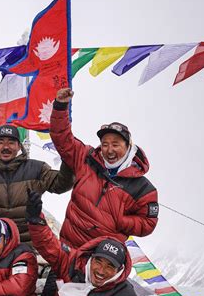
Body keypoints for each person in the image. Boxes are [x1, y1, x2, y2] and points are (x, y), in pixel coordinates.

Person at [49, 88, 159, 248]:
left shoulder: (143, 188)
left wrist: (121, 221)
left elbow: (148, 223)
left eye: (116, 144)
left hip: (102, 259)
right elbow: (62, 138)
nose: (109, 150)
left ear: (128, 146)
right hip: (68, 250)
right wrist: (60, 106)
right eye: (105, 144)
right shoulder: (86, 158)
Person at [0, 124, 74, 245]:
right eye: (0, 142)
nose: (5, 147)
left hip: (30, 245)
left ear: (19, 146)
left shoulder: (37, 168)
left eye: (11, 142)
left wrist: (68, 159)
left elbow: (61, 185)